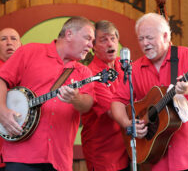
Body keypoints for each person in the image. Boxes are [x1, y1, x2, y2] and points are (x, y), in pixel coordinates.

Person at [0, 16, 95, 171]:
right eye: (88, 38)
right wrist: (2, 111)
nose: (91, 45)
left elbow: (87, 104)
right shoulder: (29, 51)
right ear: (69, 34)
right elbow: (2, 79)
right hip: (21, 154)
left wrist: (76, 98)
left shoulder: (84, 72)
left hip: (59, 160)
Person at [111, 13, 188, 171]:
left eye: (149, 38)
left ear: (165, 36)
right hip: (156, 157)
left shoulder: (186, 56)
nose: (145, 43)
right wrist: (129, 124)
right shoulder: (135, 69)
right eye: (141, 39)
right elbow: (117, 102)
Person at [81, 20, 130, 171]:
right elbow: (113, 111)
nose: (110, 44)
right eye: (104, 40)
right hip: (105, 154)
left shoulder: (124, 66)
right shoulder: (91, 74)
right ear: (93, 46)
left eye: (113, 38)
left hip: (128, 148)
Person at [0, 28, 22, 171]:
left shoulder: (29, 70)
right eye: (3, 39)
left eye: (13, 39)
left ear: (21, 45)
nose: (9, 43)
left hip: (21, 151)